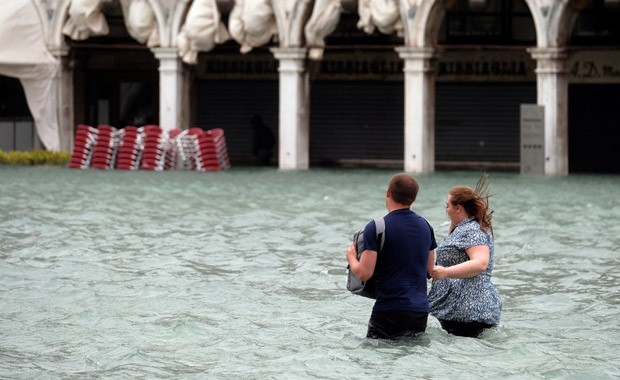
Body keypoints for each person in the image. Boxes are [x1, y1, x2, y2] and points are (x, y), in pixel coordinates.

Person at [346, 173, 437, 339]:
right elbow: (430, 270)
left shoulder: (376, 227)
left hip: (389, 309)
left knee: (375, 359)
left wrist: (351, 257)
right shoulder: (426, 226)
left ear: (388, 192)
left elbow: (364, 273)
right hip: (420, 311)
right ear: (414, 199)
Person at [428, 173, 502, 338]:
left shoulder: (471, 230)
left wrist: (445, 272)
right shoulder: (467, 226)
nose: (445, 210)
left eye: (447, 206)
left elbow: (481, 263)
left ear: (458, 208)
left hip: (468, 311)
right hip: (463, 310)